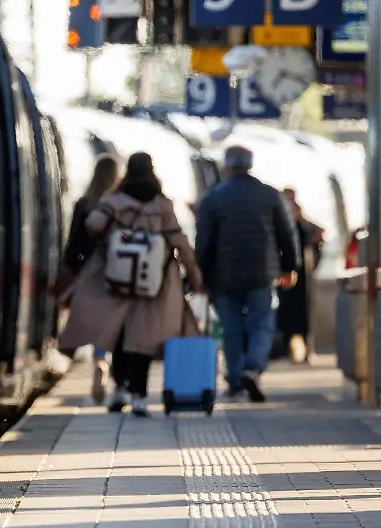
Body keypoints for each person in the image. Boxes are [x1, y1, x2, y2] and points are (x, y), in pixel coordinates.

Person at [60, 152, 203, 416]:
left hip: (118, 280)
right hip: (154, 284)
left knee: (121, 335)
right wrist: (195, 276)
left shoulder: (113, 201)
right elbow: (180, 242)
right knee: (143, 340)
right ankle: (139, 395)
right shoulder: (162, 205)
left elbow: (93, 226)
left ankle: (120, 388)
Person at [195, 146, 300, 403]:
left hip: (223, 276)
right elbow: (286, 234)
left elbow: (204, 241)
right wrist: (290, 266)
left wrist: (201, 275)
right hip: (261, 273)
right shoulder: (269, 195)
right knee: (261, 324)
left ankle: (234, 380)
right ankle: (252, 369)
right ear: (249, 164)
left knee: (230, 327)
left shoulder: (213, 197)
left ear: (227, 166)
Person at [59, 154, 119, 403]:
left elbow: (74, 243)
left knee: (94, 319)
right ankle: (102, 359)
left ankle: (97, 360)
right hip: (116, 272)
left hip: (89, 272)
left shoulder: (84, 203)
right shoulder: (118, 204)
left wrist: (72, 268)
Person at [276, 188, 324, 364]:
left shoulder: (304, 225)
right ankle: (287, 348)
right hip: (285, 274)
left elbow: (316, 237)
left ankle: (305, 348)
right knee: (286, 311)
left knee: (303, 312)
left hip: (301, 275)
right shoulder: (279, 221)